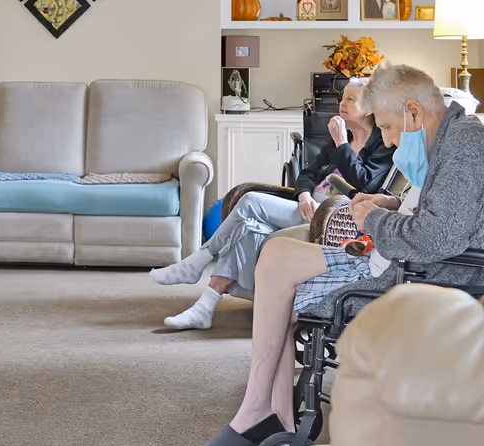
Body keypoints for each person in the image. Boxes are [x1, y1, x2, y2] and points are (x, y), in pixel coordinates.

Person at [186, 63, 484, 446]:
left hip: (416, 276)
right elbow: (437, 219)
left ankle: (262, 415)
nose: (389, 141)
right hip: (398, 261)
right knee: (275, 256)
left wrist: (372, 219)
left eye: (389, 128)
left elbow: (434, 239)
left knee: (279, 282)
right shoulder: (454, 140)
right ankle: (270, 413)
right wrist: (385, 205)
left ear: (413, 112)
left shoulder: (464, 151)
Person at [151, 78, 393, 330]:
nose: (341, 104)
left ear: (369, 108)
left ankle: (200, 264)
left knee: (251, 202)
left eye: (350, 100)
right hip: (310, 207)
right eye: (341, 98)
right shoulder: (336, 141)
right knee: (249, 222)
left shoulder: (382, 142)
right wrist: (303, 195)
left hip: (336, 218)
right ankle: (204, 305)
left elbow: (367, 184)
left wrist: (343, 143)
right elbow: (308, 174)